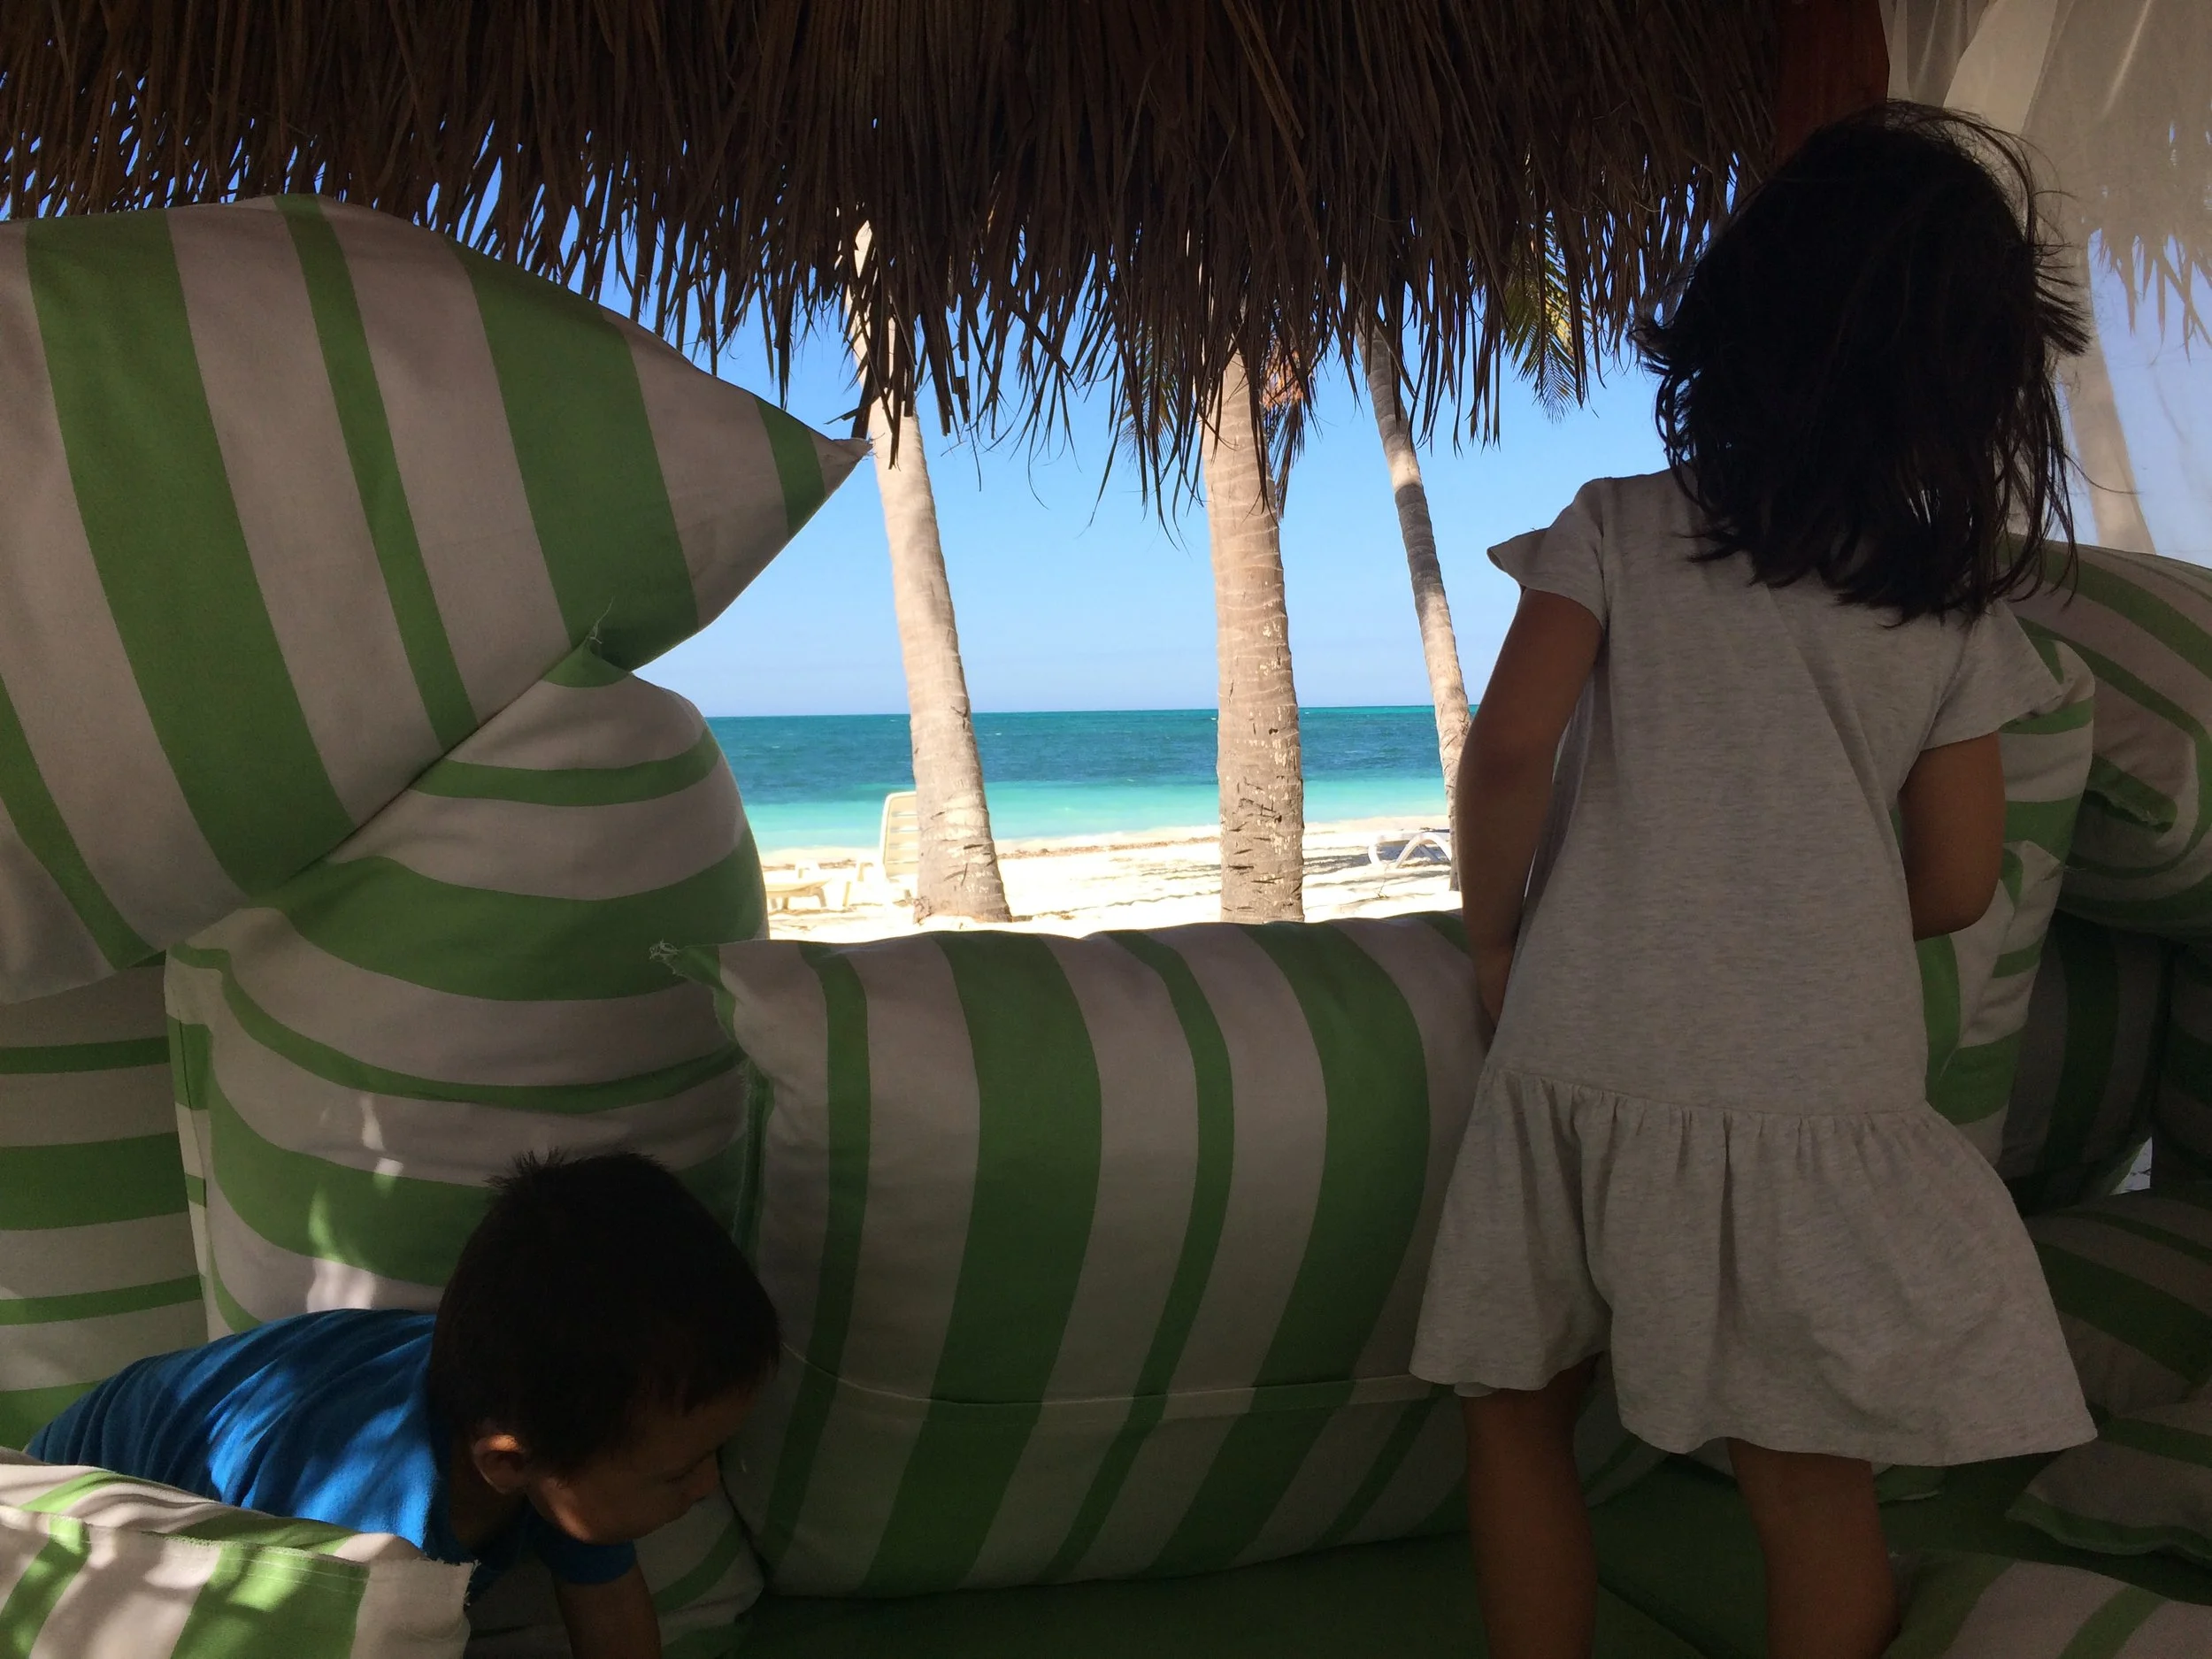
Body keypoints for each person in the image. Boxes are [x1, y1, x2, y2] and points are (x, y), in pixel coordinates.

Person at [1411, 104, 2097, 1659]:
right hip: (1818, 1085)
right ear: (1976, 386)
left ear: (1735, 323)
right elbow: (1960, 878)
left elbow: (1511, 754)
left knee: (1514, 1408)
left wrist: (1500, 938)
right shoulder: (1947, 614)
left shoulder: (1623, 530)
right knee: (1807, 1479)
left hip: (1590, 1044)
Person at [31, 1150, 779, 1659]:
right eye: (678, 1471)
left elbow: (608, 1598)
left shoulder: (553, 1406)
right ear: (509, 1462)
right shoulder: (363, 1533)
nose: (708, 1484)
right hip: (63, 1520)